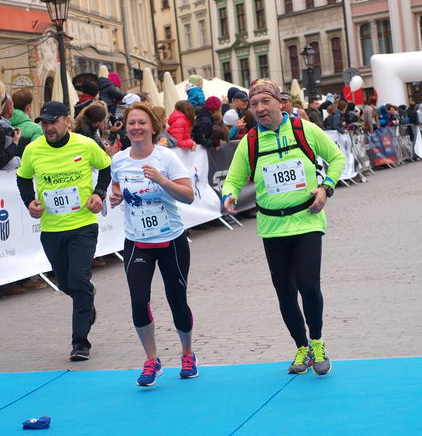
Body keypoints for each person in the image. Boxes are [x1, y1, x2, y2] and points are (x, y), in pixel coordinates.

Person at [222, 78, 345, 376]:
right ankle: (301, 347)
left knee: (308, 284)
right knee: (285, 293)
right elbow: (234, 178)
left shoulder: (305, 130)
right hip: (272, 227)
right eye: (254, 104)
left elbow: (337, 157)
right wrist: (229, 195)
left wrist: (326, 187)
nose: (260, 108)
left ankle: (317, 342)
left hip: (307, 220)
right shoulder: (251, 141)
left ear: (280, 102)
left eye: (266, 101)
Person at [108, 102, 196, 386]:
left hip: (171, 240)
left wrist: (161, 180)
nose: (136, 128)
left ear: (153, 127)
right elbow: (117, 186)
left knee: (177, 300)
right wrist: (115, 196)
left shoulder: (166, 157)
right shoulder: (119, 160)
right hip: (137, 241)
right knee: (138, 300)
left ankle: (187, 354)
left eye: (142, 123)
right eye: (131, 123)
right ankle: (151, 360)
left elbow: (188, 196)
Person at [16, 101, 111, 361]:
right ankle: (86, 298)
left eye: (53, 122)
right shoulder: (33, 149)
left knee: (78, 280)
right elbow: (23, 178)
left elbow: (105, 167)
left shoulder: (85, 144)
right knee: (67, 284)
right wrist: (29, 202)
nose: (48, 127)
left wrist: (99, 193)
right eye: (44, 123)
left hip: (83, 225)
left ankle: (80, 343)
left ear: (67, 121)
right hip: (51, 229)